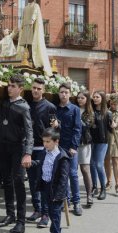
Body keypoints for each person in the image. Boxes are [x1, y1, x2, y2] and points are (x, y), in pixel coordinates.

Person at [0, 75, 33, 233]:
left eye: (12, 86)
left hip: (18, 147)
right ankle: (10, 214)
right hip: (2, 146)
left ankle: (21, 221)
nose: (9, 88)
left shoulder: (23, 107)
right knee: (7, 181)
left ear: (20, 89)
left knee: (18, 182)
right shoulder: (1, 102)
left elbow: (29, 132)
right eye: (8, 85)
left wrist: (27, 153)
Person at [27, 77, 56, 226]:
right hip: (29, 149)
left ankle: (45, 214)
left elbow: (53, 129)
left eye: (39, 88)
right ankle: (37, 209)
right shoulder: (27, 105)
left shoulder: (50, 107)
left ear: (43, 90)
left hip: (43, 150)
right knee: (32, 182)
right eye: (34, 88)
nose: (36, 90)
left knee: (44, 182)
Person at [35, 128, 70, 233]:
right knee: (49, 211)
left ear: (56, 142)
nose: (45, 144)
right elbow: (41, 165)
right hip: (46, 186)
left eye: (48, 141)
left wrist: (59, 194)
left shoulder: (62, 157)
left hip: (56, 190)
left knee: (55, 214)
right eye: (43, 141)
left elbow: (63, 179)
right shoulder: (44, 152)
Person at [52, 83, 82, 216]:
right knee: (60, 175)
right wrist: (55, 126)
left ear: (70, 94)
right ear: (58, 93)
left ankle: (77, 202)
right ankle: (66, 200)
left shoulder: (74, 109)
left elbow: (77, 129)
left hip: (70, 147)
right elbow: (52, 130)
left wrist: (74, 146)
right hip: (57, 147)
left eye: (66, 92)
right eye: (61, 92)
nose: (63, 94)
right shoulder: (55, 109)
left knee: (73, 174)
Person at [17, 0, 52, 76]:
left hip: (31, 27)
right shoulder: (25, 8)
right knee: (24, 43)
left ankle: (31, 59)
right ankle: (25, 58)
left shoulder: (36, 6)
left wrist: (32, 20)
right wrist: (20, 26)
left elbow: (35, 14)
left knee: (31, 43)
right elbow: (23, 18)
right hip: (25, 27)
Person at [90, 91, 111, 200]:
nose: (95, 98)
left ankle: (103, 188)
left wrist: (114, 125)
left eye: (97, 97)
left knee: (98, 164)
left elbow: (111, 129)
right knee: (92, 164)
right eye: (94, 97)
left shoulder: (107, 113)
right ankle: (94, 187)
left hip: (102, 142)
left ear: (102, 98)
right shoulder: (90, 111)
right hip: (91, 141)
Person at [76, 90, 94, 206]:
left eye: (82, 98)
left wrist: (76, 119)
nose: (79, 100)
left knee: (85, 169)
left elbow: (87, 125)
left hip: (84, 143)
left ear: (87, 99)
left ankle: (89, 195)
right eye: (78, 98)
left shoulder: (89, 112)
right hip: (73, 143)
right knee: (70, 171)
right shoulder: (73, 108)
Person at [105, 94, 118, 194]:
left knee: (116, 161)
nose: (112, 106)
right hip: (107, 138)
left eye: (114, 104)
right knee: (107, 160)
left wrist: (115, 123)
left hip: (116, 138)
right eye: (111, 104)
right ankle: (109, 182)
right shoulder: (107, 111)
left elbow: (117, 123)